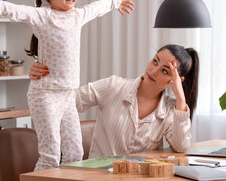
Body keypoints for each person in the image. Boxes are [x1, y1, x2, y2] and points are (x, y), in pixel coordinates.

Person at [0, 0, 135, 170]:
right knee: (50, 155)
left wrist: (116, 2)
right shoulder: (42, 16)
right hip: (45, 95)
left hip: (67, 96)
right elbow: (12, 9)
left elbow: (97, 7)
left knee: (75, 153)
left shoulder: (78, 16)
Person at [29, 44, 199, 158]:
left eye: (164, 71)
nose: (154, 71)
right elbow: (66, 102)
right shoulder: (114, 86)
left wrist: (180, 99)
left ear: (176, 80)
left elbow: (181, 146)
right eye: (154, 61)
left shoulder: (171, 110)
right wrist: (43, 78)